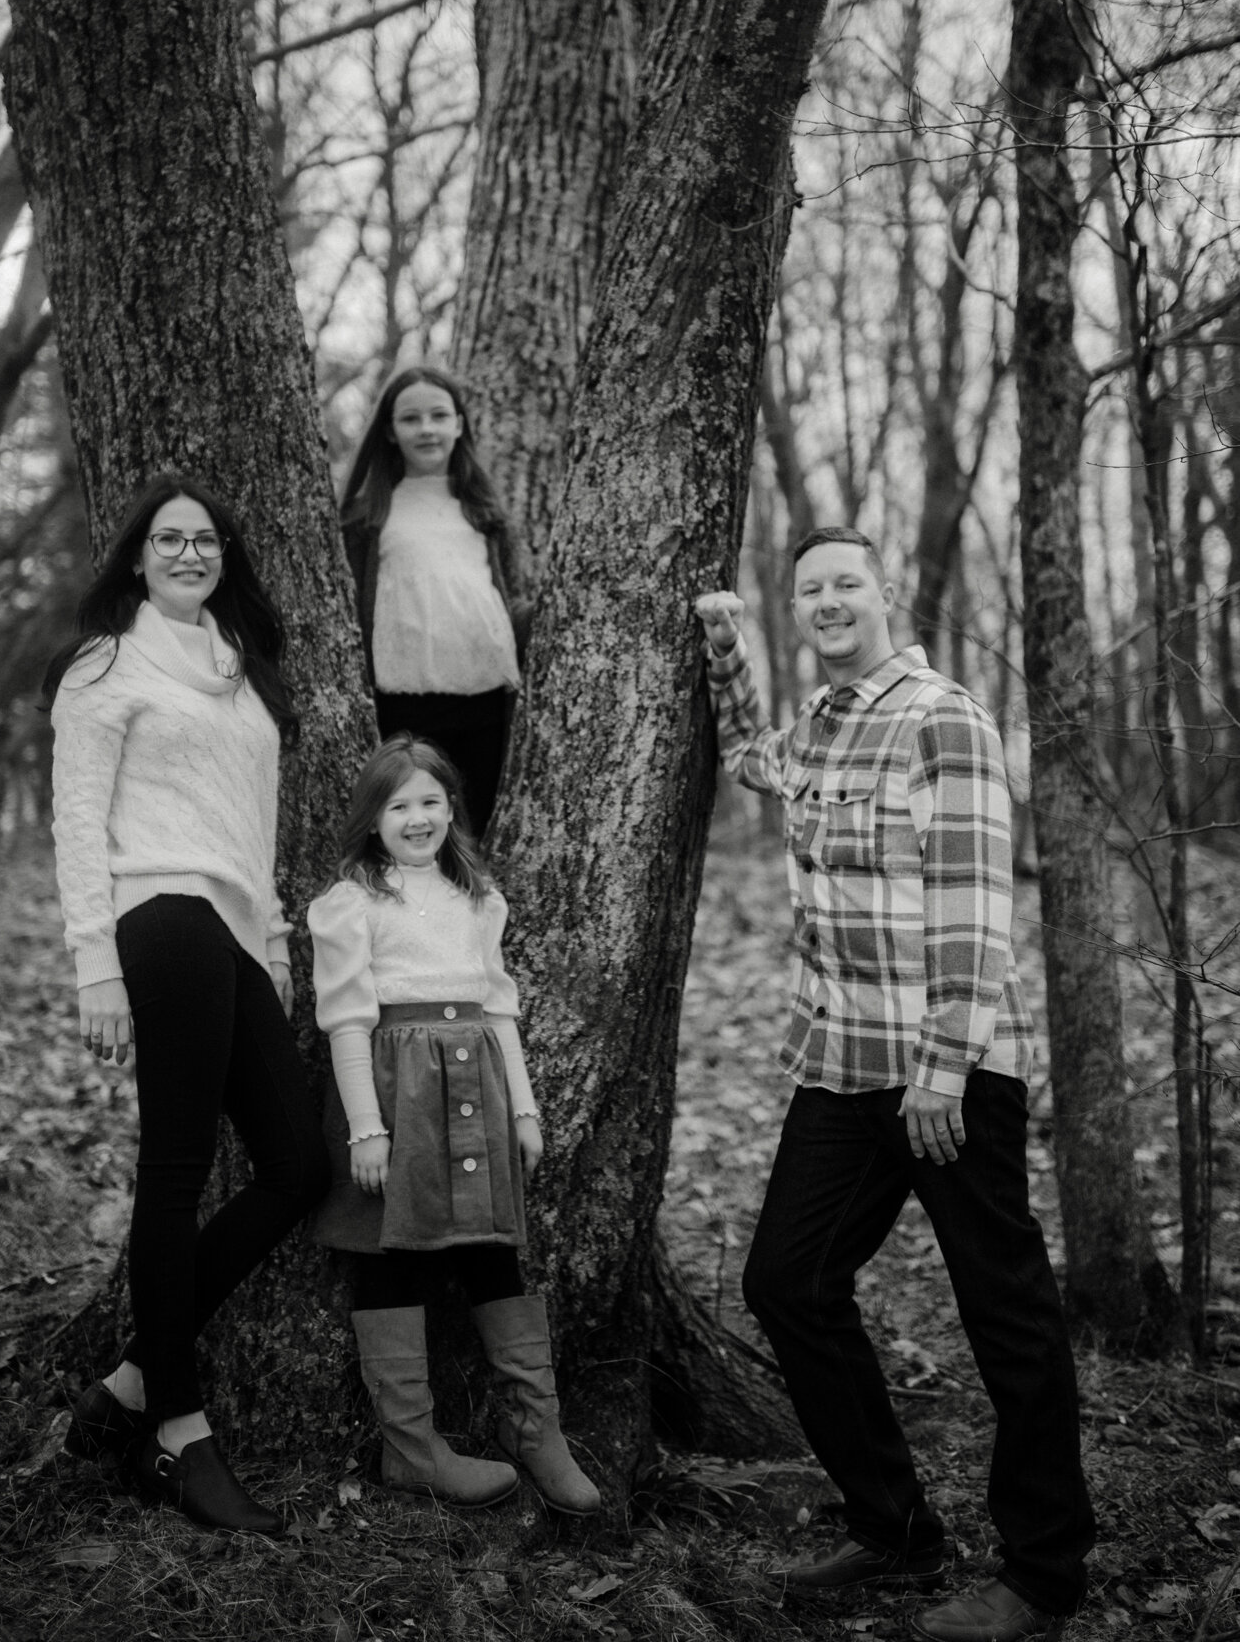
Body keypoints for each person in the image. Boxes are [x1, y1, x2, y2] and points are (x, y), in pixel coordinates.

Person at [694, 528, 1094, 1642]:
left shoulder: (940, 717)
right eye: (810, 586)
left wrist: (946, 1066)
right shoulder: (820, 728)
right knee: (786, 1281)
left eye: (844, 584)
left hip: (945, 1077)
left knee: (1003, 1313)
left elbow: (975, 904)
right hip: (842, 1066)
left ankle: (1043, 1572)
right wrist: (725, 646)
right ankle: (894, 1525)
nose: (827, 601)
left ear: (885, 595)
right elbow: (744, 759)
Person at [45, 473, 329, 1536]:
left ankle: (127, 1384)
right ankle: (179, 1429)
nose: (187, 551)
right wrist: (94, 966)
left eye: (205, 539)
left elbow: (250, 829)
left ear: (225, 556)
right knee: (173, 1165)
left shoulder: (241, 674)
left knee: (299, 1163)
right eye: (167, 537)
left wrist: (273, 945)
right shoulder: (103, 667)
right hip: (156, 922)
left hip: (235, 933)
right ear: (134, 556)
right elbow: (79, 823)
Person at [308, 733, 599, 1515]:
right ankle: (412, 1450)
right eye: (398, 804)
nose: (417, 817)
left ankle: (535, 1429)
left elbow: (499, 1011)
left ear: (450, 809)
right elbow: (344, 1023)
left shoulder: (477, 898)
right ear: (373, 819)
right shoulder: (353, 903)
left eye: (430, 801)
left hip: (477, 1083)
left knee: (491, 1244)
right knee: (391, 1247)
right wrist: (365, 1128)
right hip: (395, 1090)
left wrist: (526, 1110)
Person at [340, 365, 528, 838]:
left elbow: (506, 603)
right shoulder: (369, 515)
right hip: (404, 704)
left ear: (459, 424)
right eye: (411, 419)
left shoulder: (484, 512)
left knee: (477, 830)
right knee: (416, 828)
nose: (427, 428)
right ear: (389, 430)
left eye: (439, 415)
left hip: (486, 700)